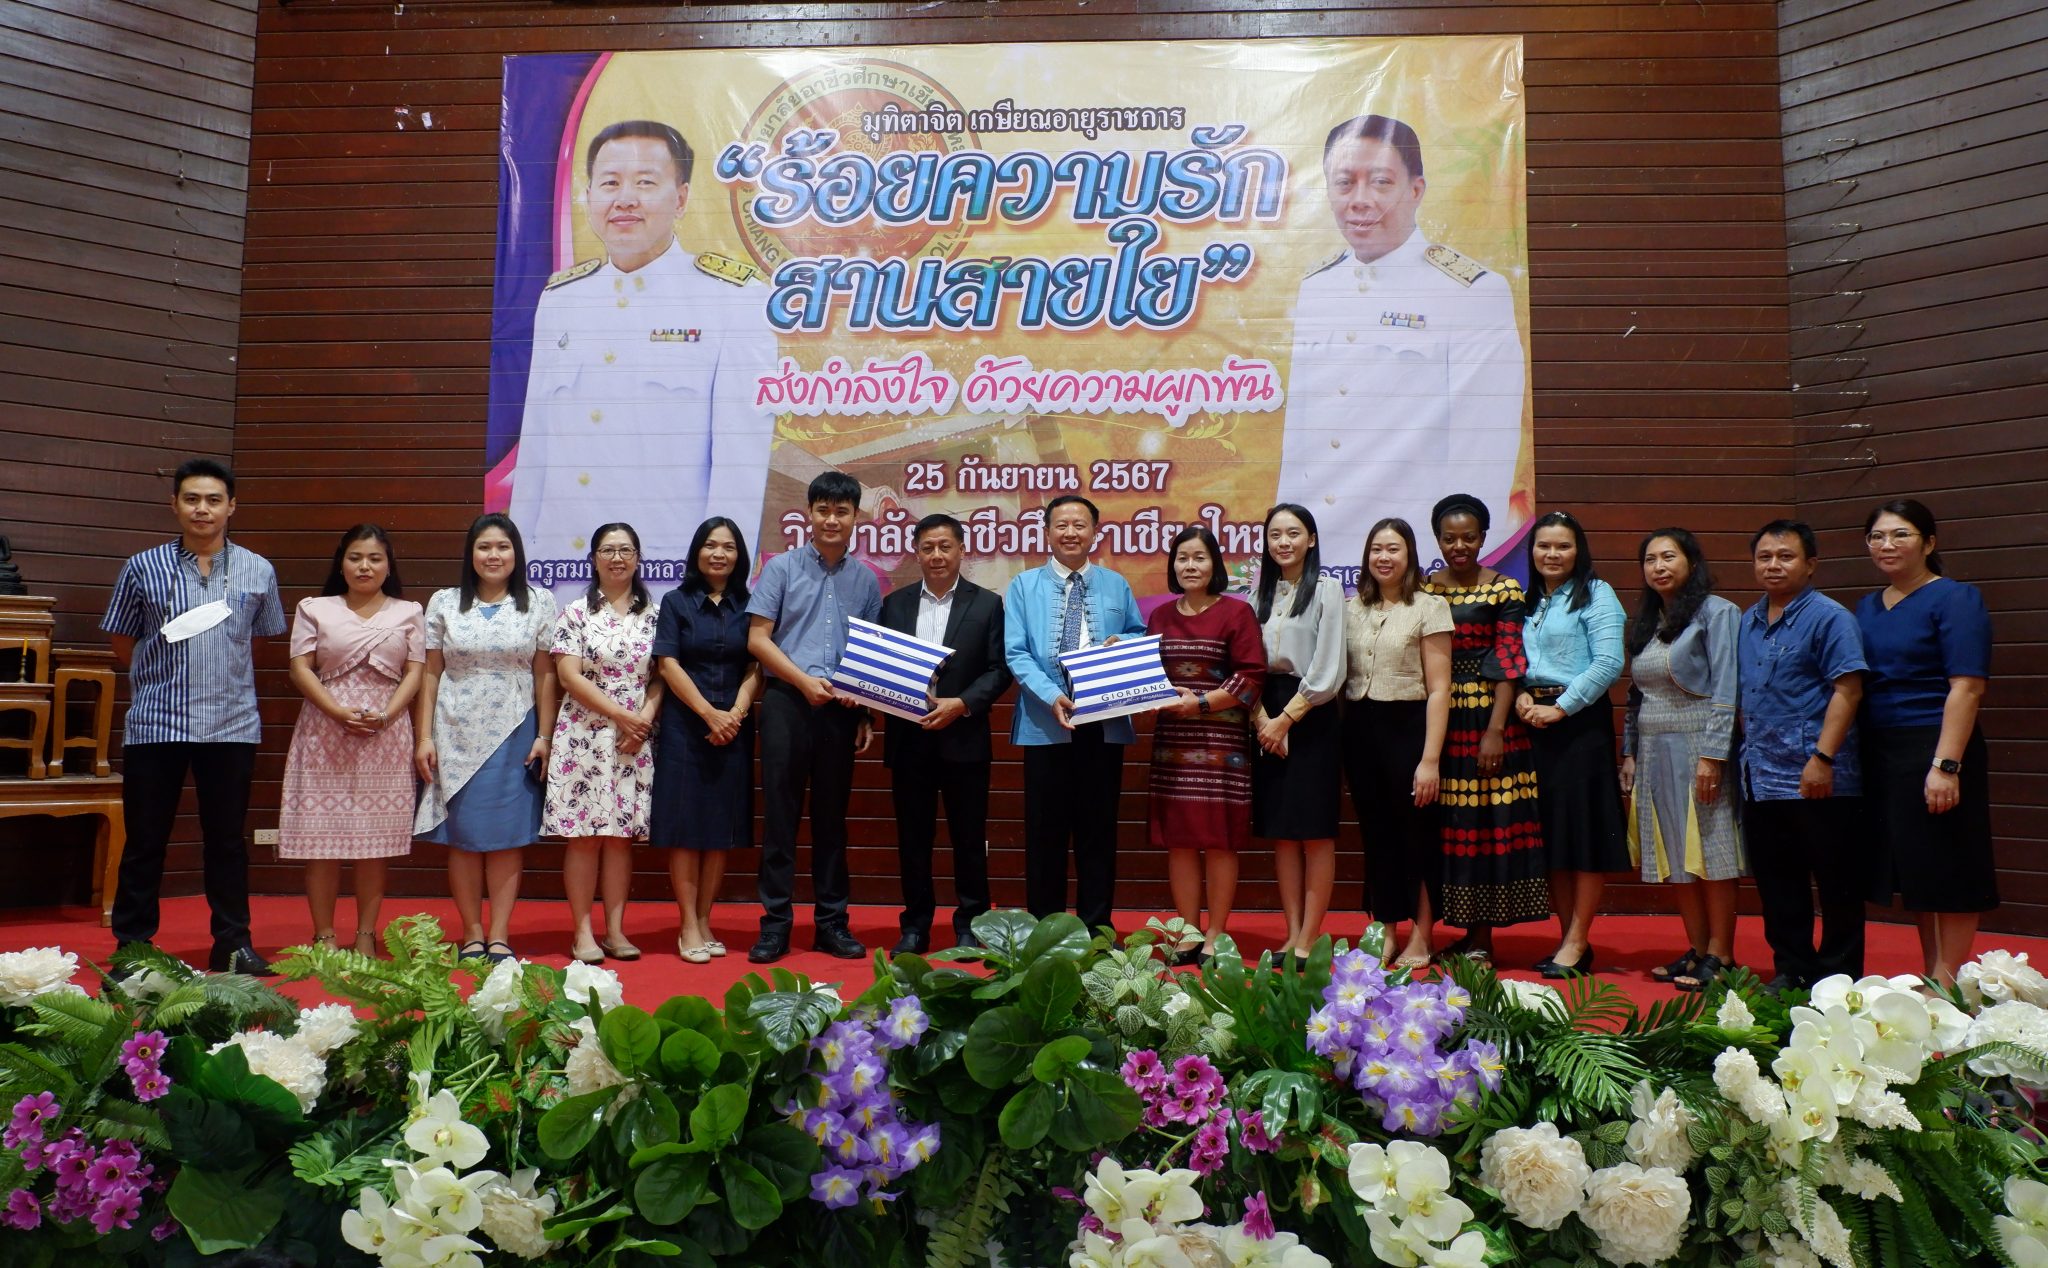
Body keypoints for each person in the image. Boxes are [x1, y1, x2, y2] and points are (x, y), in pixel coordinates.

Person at [507, 119, 778, 572]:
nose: (625, 199)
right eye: (610, 182)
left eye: (645, 182)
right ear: (589, 195)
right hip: (562, 569)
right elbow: (535, 451)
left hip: (666, 575)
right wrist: (522, 570)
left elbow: (739, 471)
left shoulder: (734, 299)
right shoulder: (560, 299)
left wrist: (717, 587)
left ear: (681, 198)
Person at [1274, 113, 1527, 581]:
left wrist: (1452, 575)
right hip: (1323, 559)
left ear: (1416, 190)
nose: (1359, 200)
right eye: (1344, 182)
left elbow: (1482, 455)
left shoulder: (1471, 292)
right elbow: (1300, 446)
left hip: (1414, 561)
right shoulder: (1317, 287)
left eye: (1381, 182)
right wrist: (1287, 560)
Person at [102, 458, 286, 974]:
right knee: (145, 842)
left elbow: (260, 640)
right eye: (191, 499)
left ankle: (233, 945)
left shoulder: (258, 569)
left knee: (226, 841)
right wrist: (159, 677)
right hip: (156, 724)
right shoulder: (142, 567)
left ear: (231, 506)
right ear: (175, 505)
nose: (202, 509)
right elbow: (122, 640)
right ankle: (133, 948)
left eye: (212, 500)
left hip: (231, 725)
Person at [1856, 499, 1993, 986]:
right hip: (1884, 749)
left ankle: (1949, 982)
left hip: (1937, 744)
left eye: (1901, 534)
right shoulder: (1868, 606)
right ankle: (1931, 972)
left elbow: (1967, 686)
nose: (1887, 544)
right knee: (1917, 867)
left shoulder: (1956, 598)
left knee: (1951, 865)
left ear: (1929, 543)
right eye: (1877, 536)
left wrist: (1946, 765)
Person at [746, 471, 881, 964]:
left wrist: (863, 708)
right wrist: (803, 681)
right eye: (823, 510)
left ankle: (831, 924)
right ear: (809, 514)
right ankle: (775, 926)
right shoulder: (780, 569)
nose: (831, 519)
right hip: (786, 703)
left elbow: (870, 652)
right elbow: (757, 639)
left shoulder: (866, 579)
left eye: (841, 511)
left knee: (832, 822)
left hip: (840, 712)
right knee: (780, 820)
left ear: (855, 517)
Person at [413, 514, 559, 964]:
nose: (493, 555)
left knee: (506, 837)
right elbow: (430, 673)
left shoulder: (539, 601)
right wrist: (424, 736)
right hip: (453, 730)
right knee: (463, 836)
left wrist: (545, 734)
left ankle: (499, 935)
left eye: (502, 547)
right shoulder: (444, 601)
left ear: (516, 553)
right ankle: (472, 934)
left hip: (515, 730)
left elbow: (545, 673)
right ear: (470, 554)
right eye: (484, 547)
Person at [278, 524, 425, 957]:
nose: (365, 566)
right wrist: (337, 711)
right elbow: (300, 667)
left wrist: (388, 714)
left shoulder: (409, 611)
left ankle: (365, 936)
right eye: (355, 557)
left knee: (373, 845)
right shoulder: (315, 608)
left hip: (386, 734)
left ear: (388, 565)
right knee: (321, 843)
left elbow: (416, 671)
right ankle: (324, 936)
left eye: (375, 558)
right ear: (341, 563)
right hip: (325, 731)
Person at [1004, 495, 1148, 936]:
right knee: (1044, 834)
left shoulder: (1115, 584)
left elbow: (1138, 635)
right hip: (1045, 723)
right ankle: (1045, 934)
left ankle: (1097, 931)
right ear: (1047, 532)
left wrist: (1123, 645)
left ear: (1095, 532)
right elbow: (1016, 652)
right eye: (1062, 525)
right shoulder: (1023, 586)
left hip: (1103, 723)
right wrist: (1052, 696)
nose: (1071, 533)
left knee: (1098, 833)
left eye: (1080, 525)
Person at [1739, 520, 1868, 991]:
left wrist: (1823, 758)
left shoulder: (1831, 618)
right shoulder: (1749, 619)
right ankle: (1791, 970)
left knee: (1836, 884)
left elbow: (1848, 690)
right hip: (1760, 774)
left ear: (1810, 564)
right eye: (1764, 557)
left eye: (1786, 556)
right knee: (1778, 883)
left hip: (1817, 774)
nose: (1773, 565)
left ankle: (1838, 979)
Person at [880, 513, 1013, 955]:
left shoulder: (987, 604)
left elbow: (999, 669)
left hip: (964, 737)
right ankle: (915, 926)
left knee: (970, 839)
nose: (936, 555)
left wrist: (962, 703)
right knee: (912, 840)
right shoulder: (894, 605)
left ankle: (972, 924)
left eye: (945, 546)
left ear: (961, 551)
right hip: (909, 737)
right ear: (916, 553)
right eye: (927, 548)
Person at [1424, 494, 1547, 957]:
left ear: (1483, 538)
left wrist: (1495, 730)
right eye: (1449, 538)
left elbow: (1510, 661)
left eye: (1469, 537)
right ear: (1438, 540)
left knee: (1487, 824)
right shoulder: (1426, 590)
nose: (1459, 546)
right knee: (1454, 826)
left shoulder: (1504, 589)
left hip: (1489, 715)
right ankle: (1464, 931)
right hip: (1441, 716)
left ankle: (1483, 938)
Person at [1622, 528, 1743, 993]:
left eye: (1668, 556)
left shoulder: (1718, 612)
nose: (1659, 567)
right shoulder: (1648, 621)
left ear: (1691, 562)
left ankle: (1722, 954)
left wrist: (1713, 755)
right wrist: (1630, 752)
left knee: (1712, 849)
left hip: (1699, 744)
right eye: (1650, 559)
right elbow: (1635, 697)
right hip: (1654, 747)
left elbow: (1727, 687)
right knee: (1675, 850)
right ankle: (1697, 948)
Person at [1515, 511, 1629, 978]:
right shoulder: (1528, 600)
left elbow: (1608, 663)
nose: (1552, 554)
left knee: (1583, 835)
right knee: (1555, 837)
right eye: (1544, 545)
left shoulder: (1597, 594)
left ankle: (1579, 938)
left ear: (1578, 550)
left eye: (1562, 546)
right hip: (1533, 724)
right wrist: (1520, 693)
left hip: (1579, 726)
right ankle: (1569, 941)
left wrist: (1561, 707)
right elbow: (1514, 659)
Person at [1146, 526, 1267, 965]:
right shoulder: (1160, 616)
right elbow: (1148, 673)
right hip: (1173, 743)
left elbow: (1251, 676)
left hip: (1221, 743)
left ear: (1215, 563)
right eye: (1182, 558)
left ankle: (1215, 933)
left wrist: (1199, 703)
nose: (1190, 565)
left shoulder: (1237, 612)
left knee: (1219, 840)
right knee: (1179, 840)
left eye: (1199, 557)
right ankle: (1187, 931)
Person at [546, 523, 662, 964]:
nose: (617, 558)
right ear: (593, 559)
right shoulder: (575, 613)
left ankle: (615, 930)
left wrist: (642, 721)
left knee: (619, 838)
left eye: (626, 550)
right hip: (584, 735)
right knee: (584, 838)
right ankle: (582, 932)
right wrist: (621, 716)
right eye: (608, 550)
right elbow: (568, 675)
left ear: (638, 558)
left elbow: (662, 675)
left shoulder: (655, 615)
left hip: (634, 738)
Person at [1340, 518, 1452, 969]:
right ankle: (1385, 930)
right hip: (1360, 730)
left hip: (1410, 729)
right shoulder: (1351, 608)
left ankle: (1422, 936)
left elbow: (1440, 689)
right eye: (1376, 549)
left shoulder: (1429, 607)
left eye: (1393, 549)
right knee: (1377, 835)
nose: (1383, 557)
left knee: (1417, 836)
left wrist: (1430, 760)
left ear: (1410, 556)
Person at [651, 517, 761, 964]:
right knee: (685, 829)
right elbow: (667, 664)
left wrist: (735, 713)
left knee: (720, 830)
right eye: (711, 545)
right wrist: (709, 713)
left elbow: (756, 665)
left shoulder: (751, 605)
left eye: (729, 547)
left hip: (734, 727)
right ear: (697, 551)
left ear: (739, 556)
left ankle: (705, 919)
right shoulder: (676, 602)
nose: (719, 554)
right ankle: (687, 925)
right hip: (685, 726)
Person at [1249, 504, 1348, 961]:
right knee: (1283, 832)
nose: (1283, 542)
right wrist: (1261, 720)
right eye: (1275, 534)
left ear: (1311, 539)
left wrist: (1284, 720)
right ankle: (1291, 934)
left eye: (1293, 533)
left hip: (1311, 715)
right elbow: (1246, 665)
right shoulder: (1256, 595)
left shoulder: (1328, 590)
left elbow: (1329, 668)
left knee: (1315, 831)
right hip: (1264, 711)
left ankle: (1310, 938)